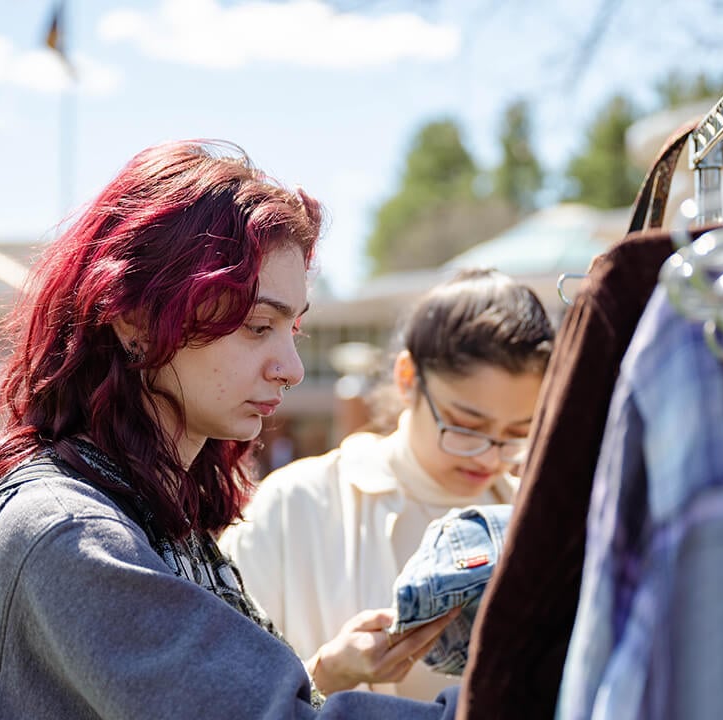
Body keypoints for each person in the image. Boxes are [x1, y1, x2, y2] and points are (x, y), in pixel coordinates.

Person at [0, 140, 462, 719]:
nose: (292, 367)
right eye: (257, 326)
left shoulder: (146, 507)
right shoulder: (70, 531)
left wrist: (323, 674)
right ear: (135, 320)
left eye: (293, 330)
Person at [219, 267, 555, 702]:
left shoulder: (538, 526)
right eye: (467, 427)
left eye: (516, 434)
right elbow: (222, 698)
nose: (490, 457)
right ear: (407, 378)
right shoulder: (294, 505)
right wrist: (326, 673)